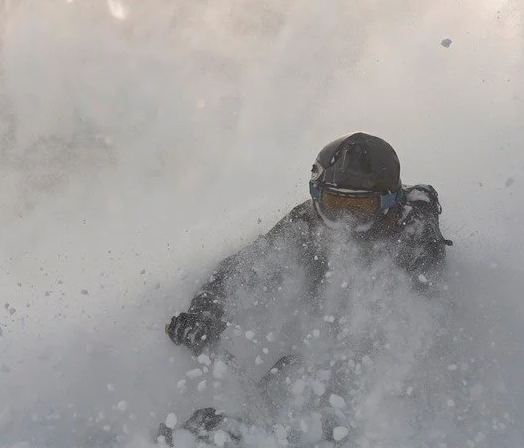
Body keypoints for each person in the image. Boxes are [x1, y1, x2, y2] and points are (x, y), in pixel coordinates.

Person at [166, 133, 449, 356]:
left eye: (360, 207)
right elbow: (243, 268)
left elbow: (415, 324)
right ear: (317, 196)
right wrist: (204, 314)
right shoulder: (306, 222)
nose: (346, 223)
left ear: (389, 203)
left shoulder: (413, 232)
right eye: (336, 204)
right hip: (315, 333)